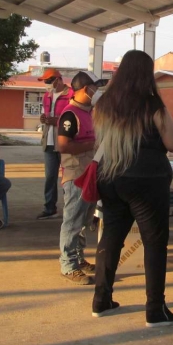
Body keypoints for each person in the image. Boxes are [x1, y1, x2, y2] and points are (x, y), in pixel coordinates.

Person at [91, 50, 173, 326]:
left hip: (110, 176)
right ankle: (155, 309)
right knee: (155, 243)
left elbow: (100, 141)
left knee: (111, 237)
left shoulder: (105, 101)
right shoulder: (152, 104)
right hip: (147, 180)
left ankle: (101, 300)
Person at [57, 71, 107, 285]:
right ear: (86, 89)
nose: (98, 91)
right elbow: (64, 145)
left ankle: (78, 259)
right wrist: (94, 146)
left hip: (90, 175)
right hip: (75, 176)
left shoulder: (91, 113)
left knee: (84, 221)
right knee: (72, 222)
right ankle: (68, 265)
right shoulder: (70, 115)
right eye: (96, 87)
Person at [37, 68, 73, 220]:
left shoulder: (71, 94)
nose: (47, 84)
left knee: (68, 177)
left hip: (64, 141)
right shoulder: (47, 96)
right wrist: (44, 119)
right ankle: (50, 207)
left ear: (58, 79)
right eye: (45, 81)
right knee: (50, 176)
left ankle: (70, 209)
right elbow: (48, 115)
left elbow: (74, 116)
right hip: (49, 140)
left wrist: (57, 121)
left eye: (49, 81)